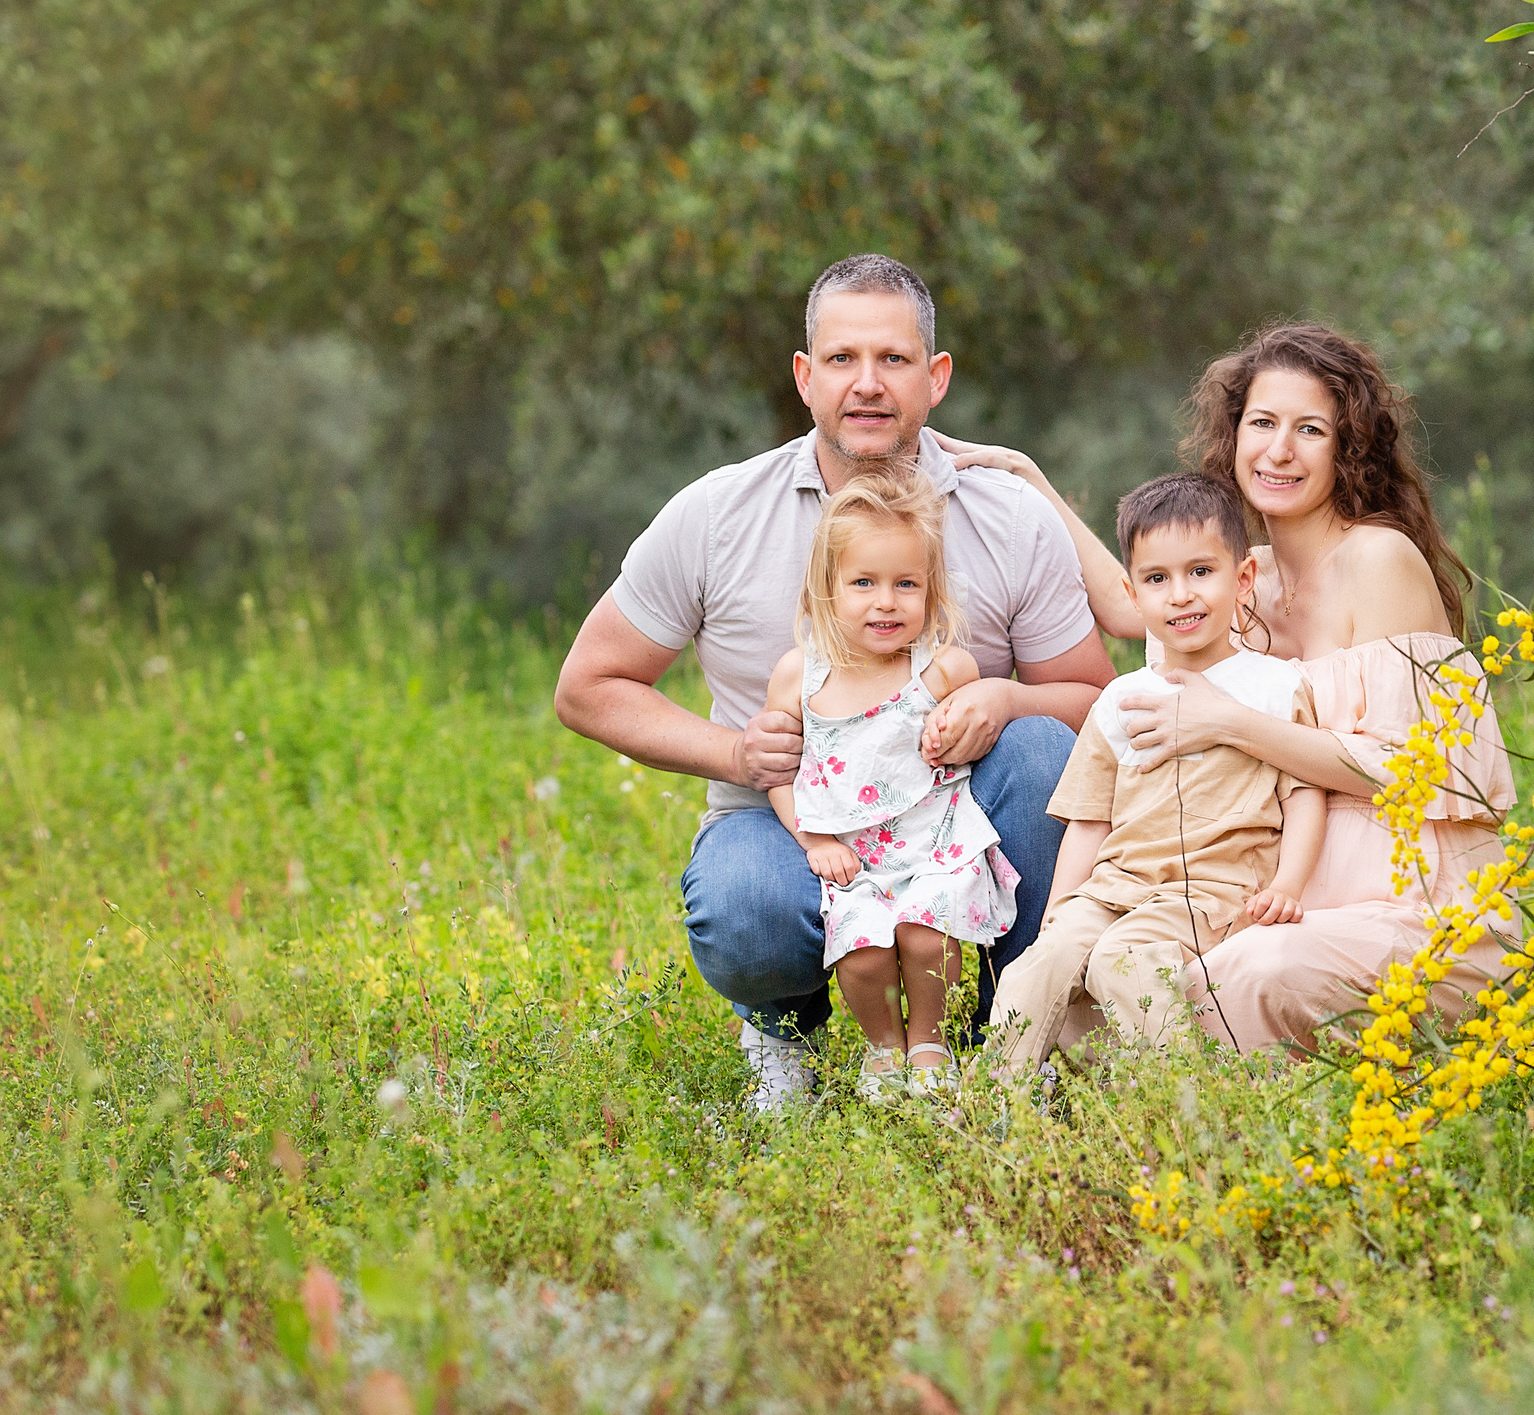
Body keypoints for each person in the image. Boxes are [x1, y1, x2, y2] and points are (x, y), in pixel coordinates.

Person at [554, 254, 1115, 1110]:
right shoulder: (718, 512)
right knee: (742, 903)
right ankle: (784, 1029)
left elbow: (1092, 698)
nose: (867, 384)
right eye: (843, 360)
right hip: (793, 825)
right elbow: (589, 684)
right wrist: (738, 751)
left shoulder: (1008, 515)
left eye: (893, 360)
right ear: (805, 378)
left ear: (937, 378)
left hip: (953, 819)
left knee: (1043, 750)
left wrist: (1007, 698)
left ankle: (1004, 1033)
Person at [942, 320, 1515, 1054]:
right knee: (1095, 992)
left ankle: (1228, 1138)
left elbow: (1435, 772)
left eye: (1310, 428)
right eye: (1263, 423)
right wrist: (1030, 481)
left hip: (1407, 894)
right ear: (1234, 434)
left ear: (1348, 447)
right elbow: (1130, 598)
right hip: (1262, 890)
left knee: (1234, 978)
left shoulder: (1380, 560)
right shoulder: (1244, 583)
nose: (1280, 449)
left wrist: (1230, 722)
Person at [985, 473, 1324, 1074]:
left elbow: (1303, 796)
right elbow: (1089, 822)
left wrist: (1289, 885)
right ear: (1132, 592)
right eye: (1157, 579)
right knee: (1039, 962)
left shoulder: (1275, 687)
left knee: (1122, 962)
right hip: (1115, 885)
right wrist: (1061, 908)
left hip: (1211, 888)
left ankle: (1187, 1106)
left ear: (1243, 579)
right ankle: (998, 1105)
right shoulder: (1119, 700)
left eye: (1201, 572)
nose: (1181, 596)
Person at [765, 473, 1017, 1100]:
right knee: (863, 950)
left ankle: (929, 1041)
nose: (887, 602)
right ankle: (883, 1047)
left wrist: (951, 724)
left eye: (906, 584)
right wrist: (811, 836)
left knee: (927, 935)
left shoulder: (942, 669)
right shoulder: (801, 676)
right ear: (827, 589)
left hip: (933, 843)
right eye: (864, 583)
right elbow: (780, 769)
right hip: (854, 858)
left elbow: (972, 728)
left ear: (931, 593)